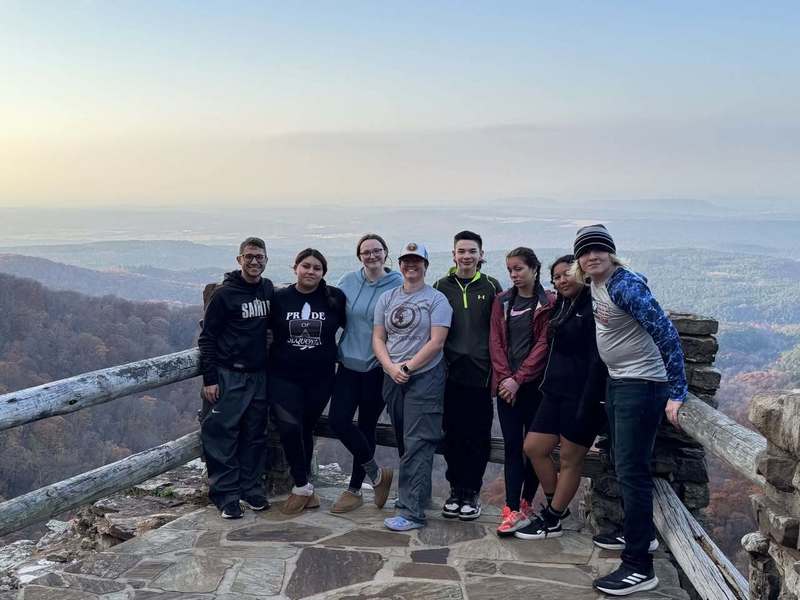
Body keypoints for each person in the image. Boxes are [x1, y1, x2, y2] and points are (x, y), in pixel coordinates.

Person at [572, 225, 687, 596]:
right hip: (621, 381)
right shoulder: (596, 282)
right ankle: (638, 535)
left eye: (599, 250)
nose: (592, 256)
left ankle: (639, 566)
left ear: (611, 253)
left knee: (632, 472)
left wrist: (678, 391)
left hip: (641, 385)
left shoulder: (624, 286)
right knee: (623, 467)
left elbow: (666, 333)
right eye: (585, 252)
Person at [515, 255, 607, 540]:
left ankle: (552, 519)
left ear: (582, 273)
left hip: (582, 396)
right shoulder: (562, 306)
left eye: (567, 274)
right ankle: (558, 506)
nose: (562, 280)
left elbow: (598, 359)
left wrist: (590, 402)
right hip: (554, 392)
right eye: (556, 277)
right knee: (533, 447)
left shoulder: (595, 308)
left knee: (570, 459)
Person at [373, 242, 452, 531]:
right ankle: (417, 497)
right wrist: (391, 367)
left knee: (419, 441)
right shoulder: (387, 297)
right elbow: (378, 338)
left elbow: (437, 342)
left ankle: (411, 512)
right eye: (406, 260)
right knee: (407, 441)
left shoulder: (437, 300)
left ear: (425, 266)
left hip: (425, 377)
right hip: (393, 376)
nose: (411, 265)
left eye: (417, 261)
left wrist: (407, 367)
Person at [198, 236, 274, 519]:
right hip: (229, 374)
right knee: (222, 435)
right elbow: (207, 338)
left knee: (255, 435)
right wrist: (210, 378)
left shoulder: (267, 289)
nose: (254, 261)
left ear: (266, 260)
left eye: (259, 257)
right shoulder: (223, 295)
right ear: (239, 259)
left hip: (258, 375)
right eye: (249, 256)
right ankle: (226, 496)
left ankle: (251, 489)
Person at [268, 248, 346, 515]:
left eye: (317, 268)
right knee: (288, 427)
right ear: (295, 268)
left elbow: (354, 328)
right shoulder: (279, 298)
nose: (311, 271)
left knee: (305, 430)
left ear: (323, 273)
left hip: (320, 378)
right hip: (283, 375)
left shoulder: (334, 298)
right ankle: (300, 485)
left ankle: (307, 489)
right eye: (306, 266)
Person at [329, 234, 402, 513]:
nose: (372, 256)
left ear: (386, 253)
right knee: (338, 421)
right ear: (359, 256)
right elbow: (331, 312)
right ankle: (377, 475)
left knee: (367, 426)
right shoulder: (348, 281)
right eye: (366, 252)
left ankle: (354, 489)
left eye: (377, 251)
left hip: (377, 367)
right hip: (347, 363)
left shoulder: (397, 283)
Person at [433, 230, 501, 521]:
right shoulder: (440, 286)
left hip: (482, 375)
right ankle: (455, 490)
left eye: (472, 251)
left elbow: (500, 333)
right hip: (448, 373)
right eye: (461, 251)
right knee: (452, 434)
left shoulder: (492, 286)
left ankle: (471, 492)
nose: (467, 256)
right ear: (453, 255)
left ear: (481, 255)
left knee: (478, 436)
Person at [489, 247, 555, 536]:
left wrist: (519, 379)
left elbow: (543, 346)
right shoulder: (502, 301)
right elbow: (496, 342)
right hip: (508, 390)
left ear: (534, 269)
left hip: (536, 389)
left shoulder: (549, 302)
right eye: (510, 270)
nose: (514, 275)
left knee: (535, 450)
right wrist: (506, 379)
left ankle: (526, 503)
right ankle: (512, 508)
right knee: (513, 448)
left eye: (519, 269)